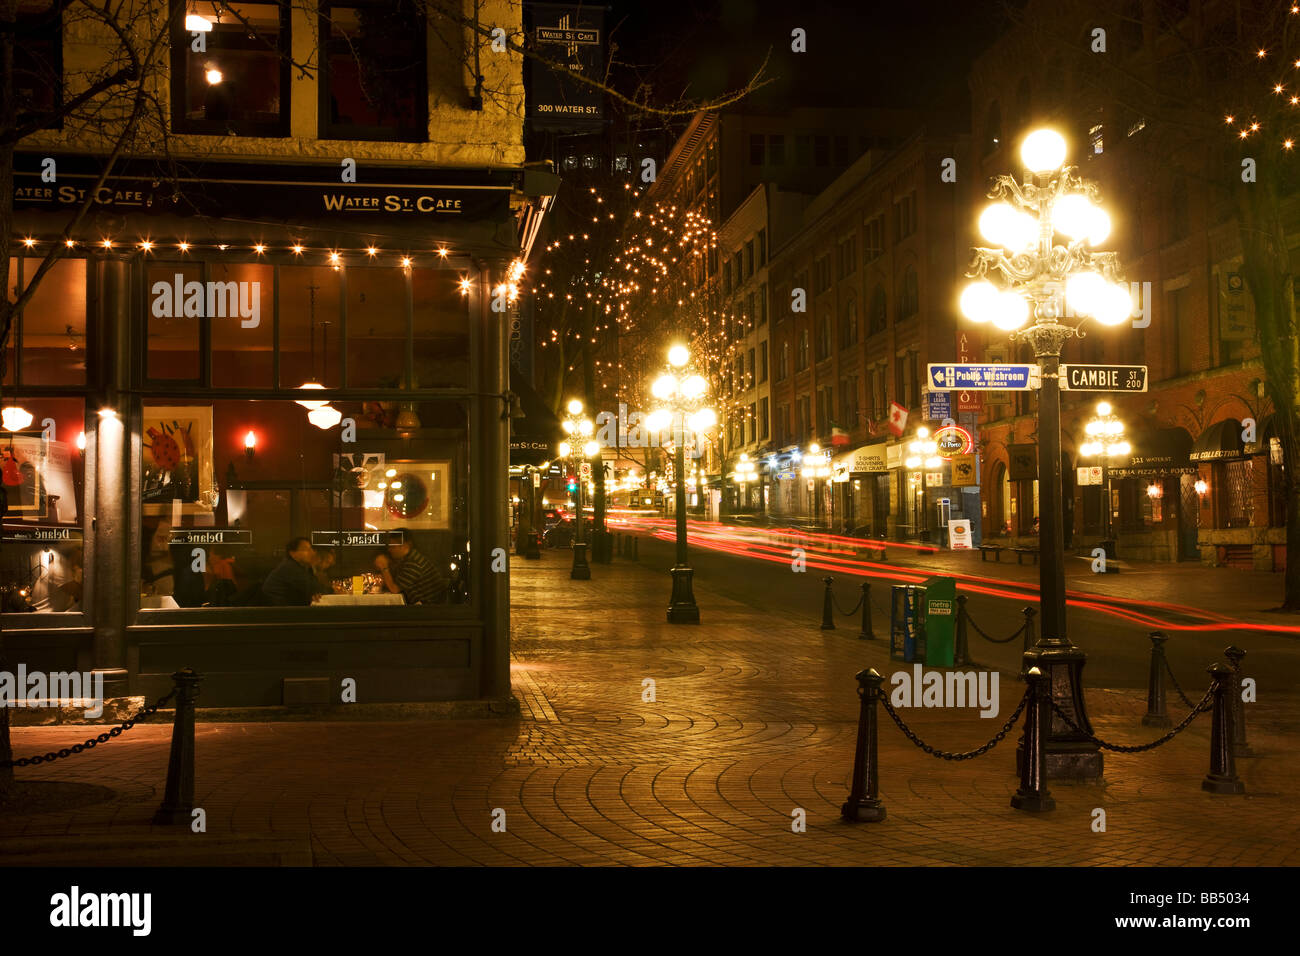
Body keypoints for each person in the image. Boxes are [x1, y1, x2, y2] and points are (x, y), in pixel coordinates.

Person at [373, 530, 447, 605]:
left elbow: (394, 589)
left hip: (428, 609)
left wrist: (384, 567)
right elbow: (395, 583)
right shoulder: (408, 559)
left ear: (405, 546)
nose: (389, 550)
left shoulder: (413, 563)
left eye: (393, 546)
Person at [262, 537, 320, 606]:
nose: (312, 552)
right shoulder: (289, 567)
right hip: (278, 612)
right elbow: (313, 589)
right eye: (306, 549)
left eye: (311, 549)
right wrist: (314, 565)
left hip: (286, 608)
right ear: (292, 553)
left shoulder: (297, 567)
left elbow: (314, 590)